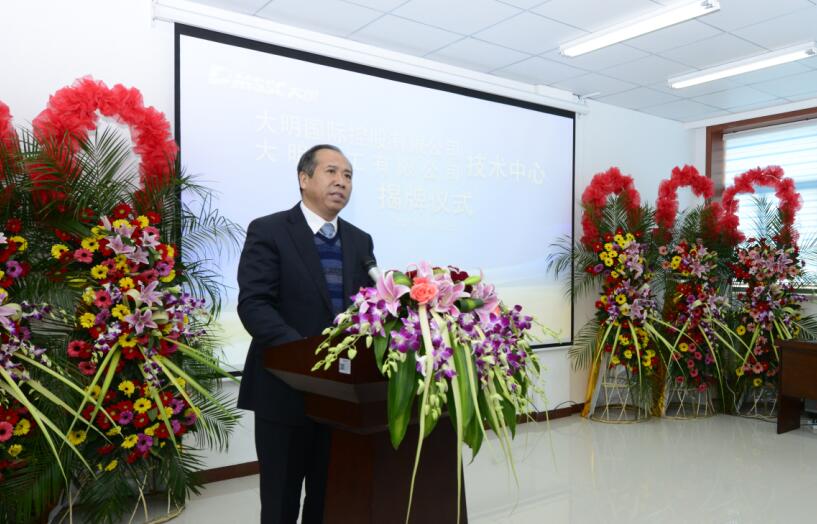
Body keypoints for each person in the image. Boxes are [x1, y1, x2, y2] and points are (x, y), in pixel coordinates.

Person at [236, 145, 375, 523]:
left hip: (341, 397)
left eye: (348, 175)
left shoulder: (360, 240)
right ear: (304, 178)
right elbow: (254, 304)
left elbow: (367, 309)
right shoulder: (269, 230)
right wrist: (304, 354)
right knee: (280, 503)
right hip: (283, 389)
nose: (341, 182)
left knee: (329, 499)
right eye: (332, 172)